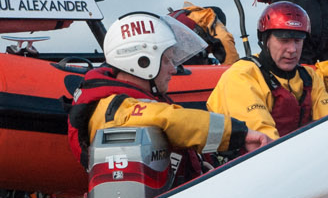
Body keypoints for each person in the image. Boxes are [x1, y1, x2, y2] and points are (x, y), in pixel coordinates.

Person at [67, 11, 267, 165]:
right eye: (168, 60)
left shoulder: (115, 102)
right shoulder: (117, 109)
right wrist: (240, 133)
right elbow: (171, 119)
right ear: (142, 62)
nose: (173, 69)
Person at [206, 2, 328, 140]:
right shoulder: (242, 76)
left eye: (297, 40)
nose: (292, 49)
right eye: (284, 40)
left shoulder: (308, 76)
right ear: (266, 40)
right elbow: (262, 137)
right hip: (254, 158)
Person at [168, 1, 239, 64]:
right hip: (182, 50)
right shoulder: (212, 18)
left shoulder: (188, 15)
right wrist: (234, 70)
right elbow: (225, 40)